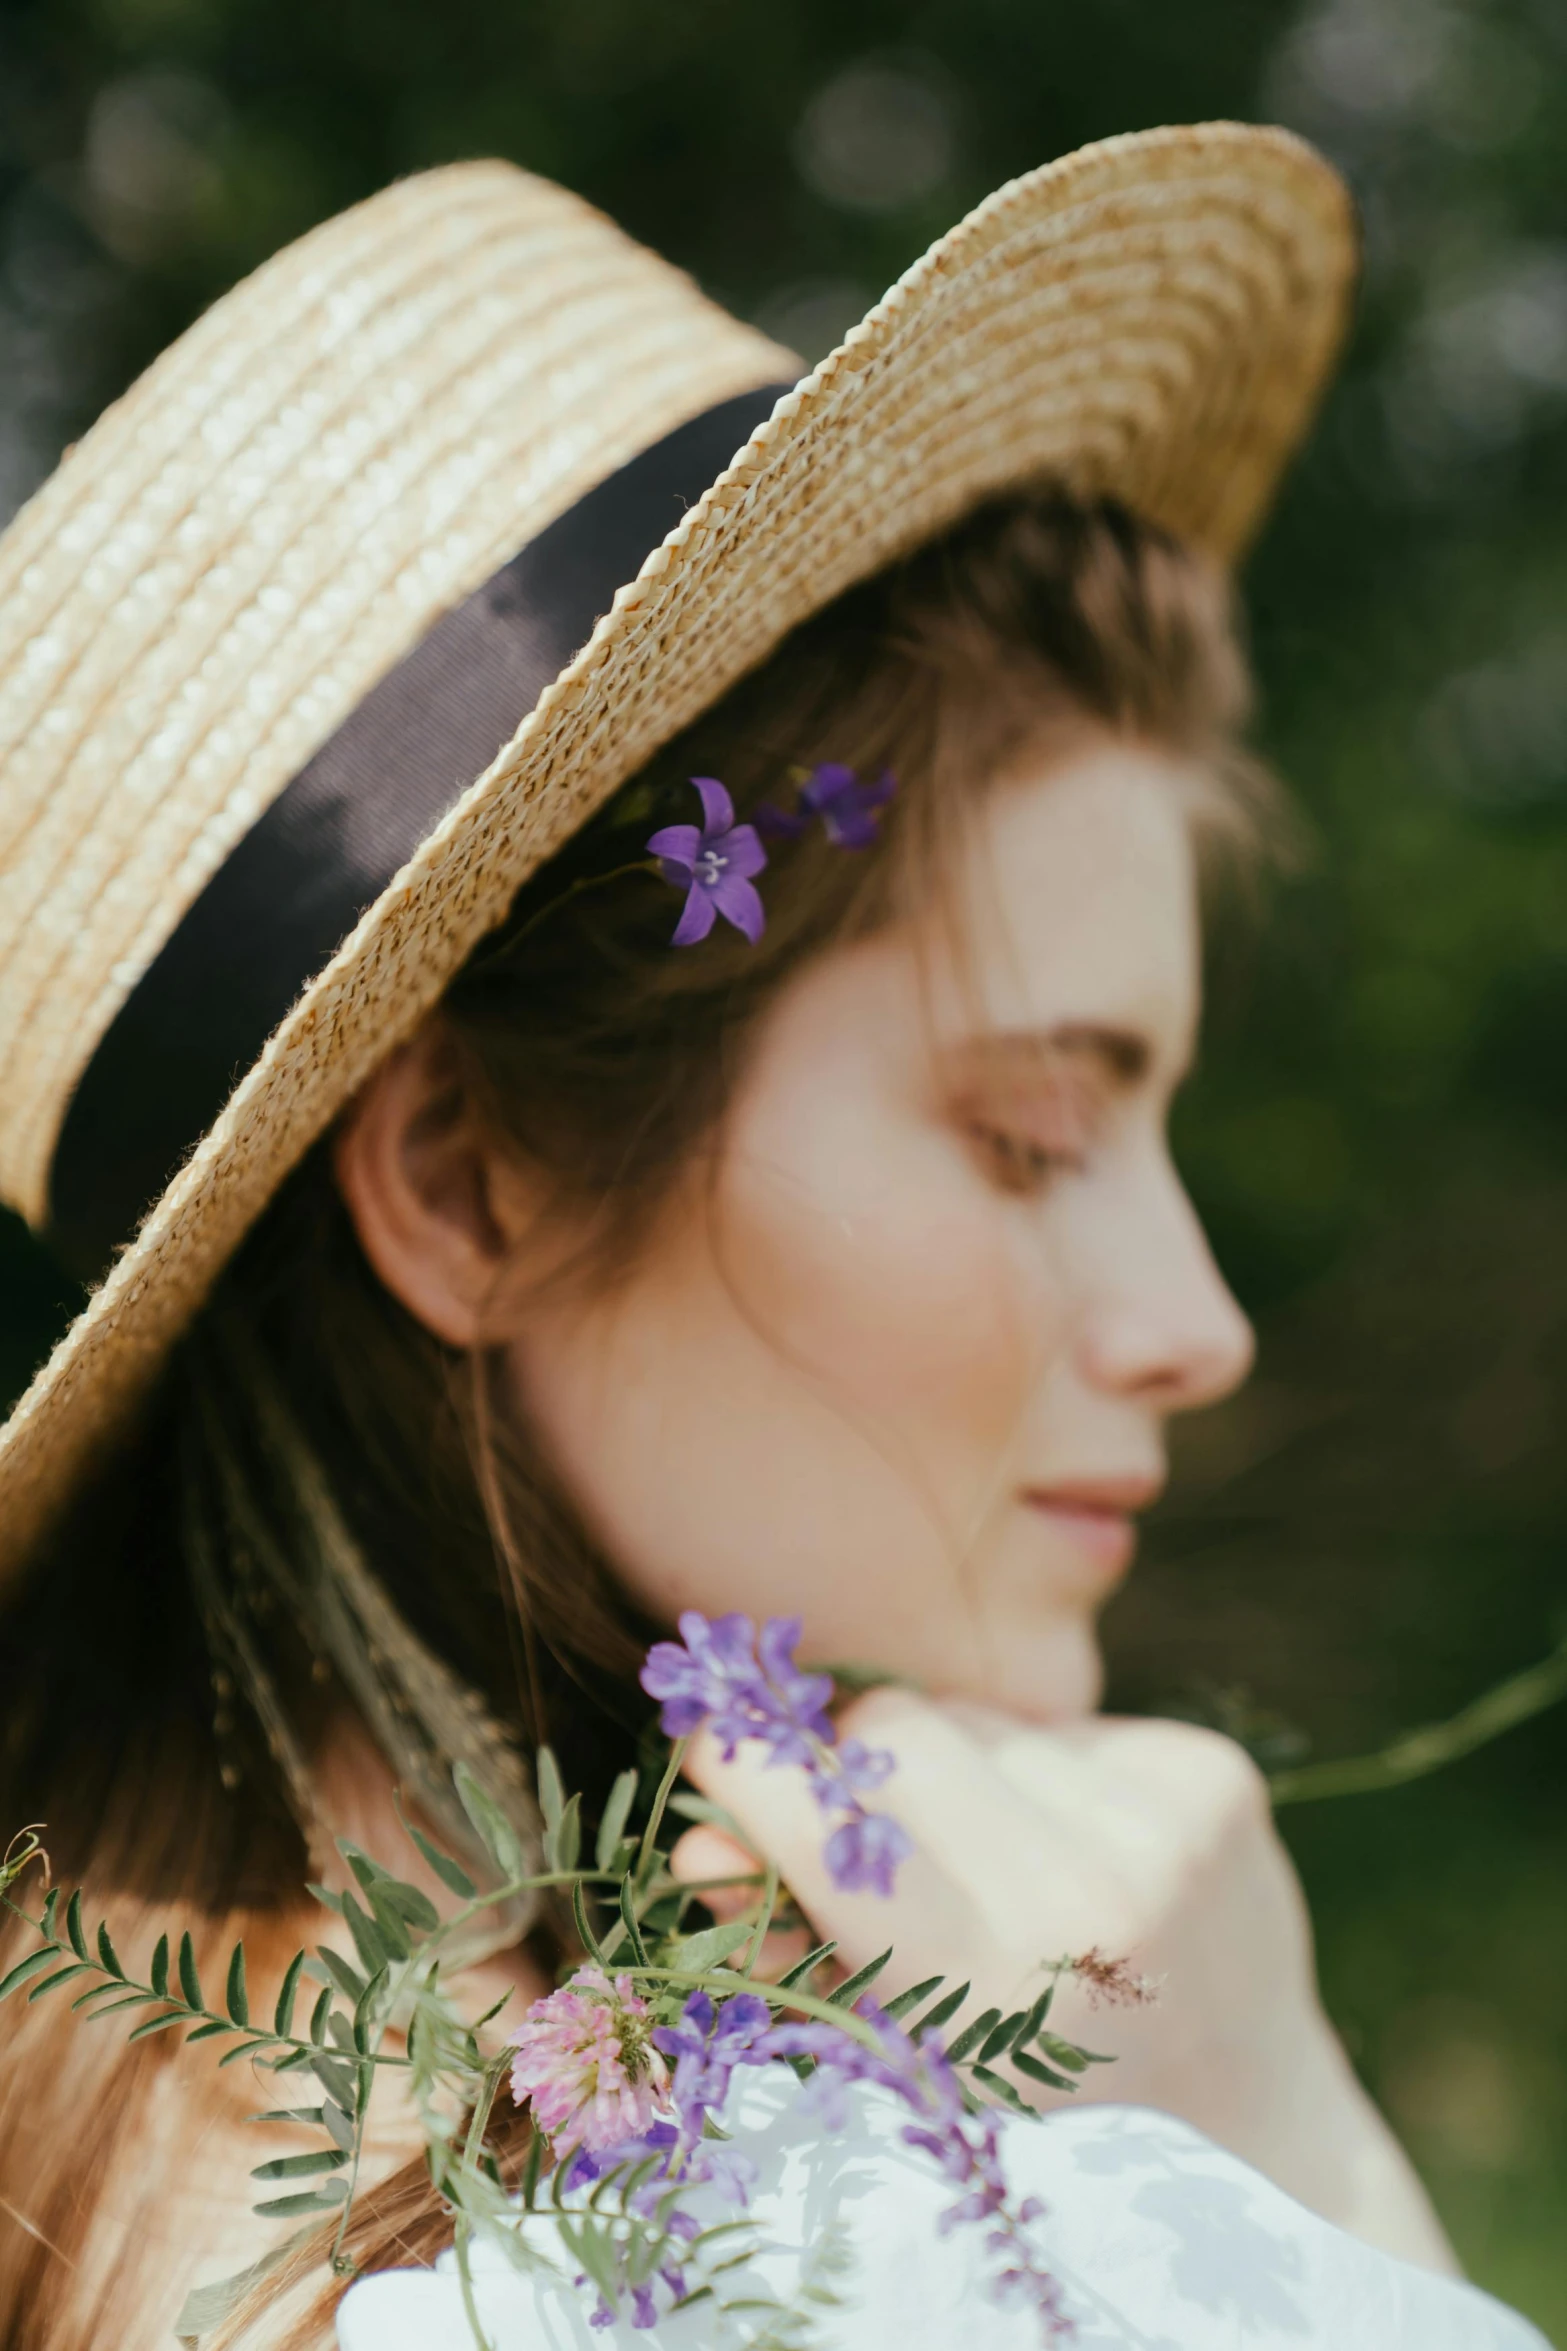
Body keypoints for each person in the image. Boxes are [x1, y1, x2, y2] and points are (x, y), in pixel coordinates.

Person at [0, 131, 1542, 2351]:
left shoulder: (112, 2140)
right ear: (470, 1182)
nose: (1200, 1322)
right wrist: (1287, 2157)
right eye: (1026, 1130)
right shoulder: (829, 2264)